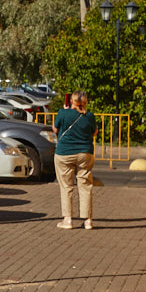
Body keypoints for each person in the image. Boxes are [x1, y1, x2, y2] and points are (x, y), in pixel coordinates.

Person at [53, 90, 97, 229]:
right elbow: (94, 132)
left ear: (71, 101)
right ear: (85, 102)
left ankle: (68, 219)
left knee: (66, 186)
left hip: (64, 153)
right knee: (85, 186)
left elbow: (55, 129)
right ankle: (88, 220)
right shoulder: (89, 116)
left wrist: (66, 112)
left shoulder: (63, 113)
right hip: (85, 153)